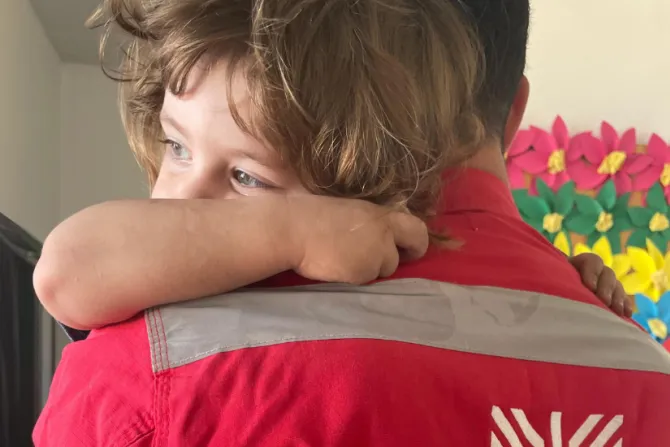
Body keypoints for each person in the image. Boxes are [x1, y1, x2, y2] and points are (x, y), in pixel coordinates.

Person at [33, 0, 670, 446]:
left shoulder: (159, 368)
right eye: (176, 147)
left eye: (249, 177)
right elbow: (65, 269)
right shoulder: (646, 373)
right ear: (513, 112)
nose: (182, 202)